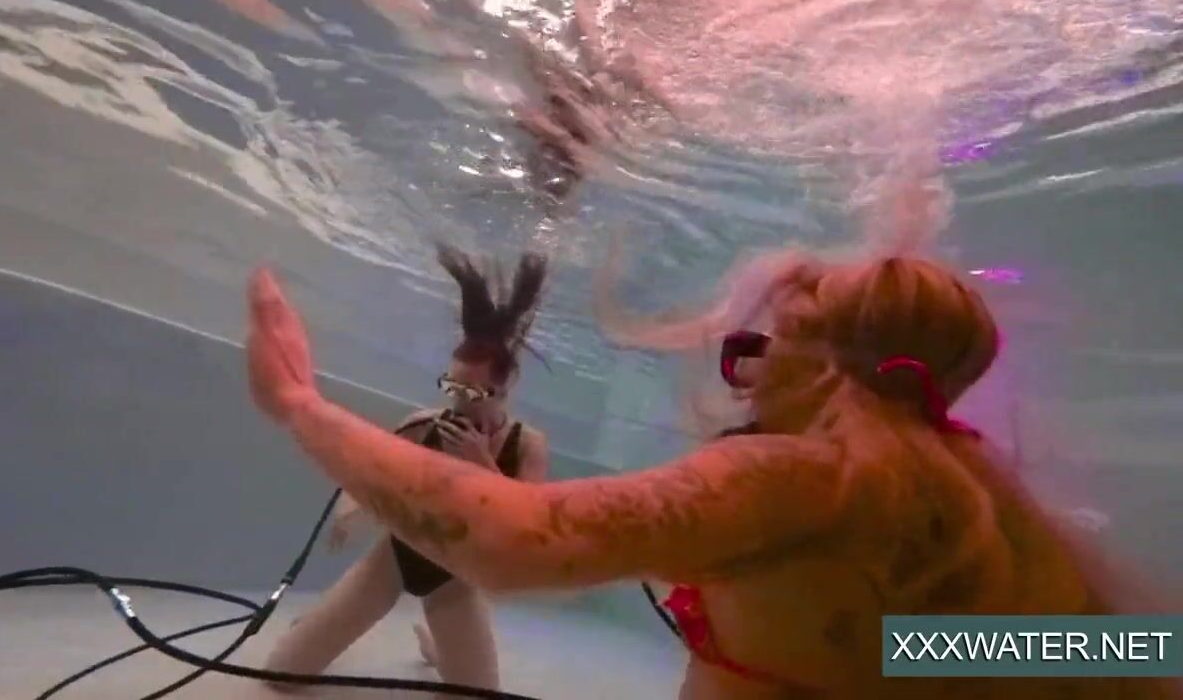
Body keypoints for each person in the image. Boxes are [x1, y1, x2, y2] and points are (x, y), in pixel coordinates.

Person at [246, 240, 1178, 699]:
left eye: (754, 351)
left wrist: (300, 406)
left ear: (811, 358)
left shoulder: (799, 479)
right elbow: (1122, 650)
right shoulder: (973, 495)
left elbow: (510, 540)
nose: (747, 378)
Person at [261, 242, 551, 695]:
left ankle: (440, 651)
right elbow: (364, 471)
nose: (459, 403)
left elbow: (529, 526)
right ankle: (317, 628)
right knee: (282, 676)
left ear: (505, 386)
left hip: (454, 578)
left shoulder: (527, 445)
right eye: (453, 388)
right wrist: (349, 510)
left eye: (473, 393)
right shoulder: (421, 425)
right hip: (395, 559)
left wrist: (482, 464)